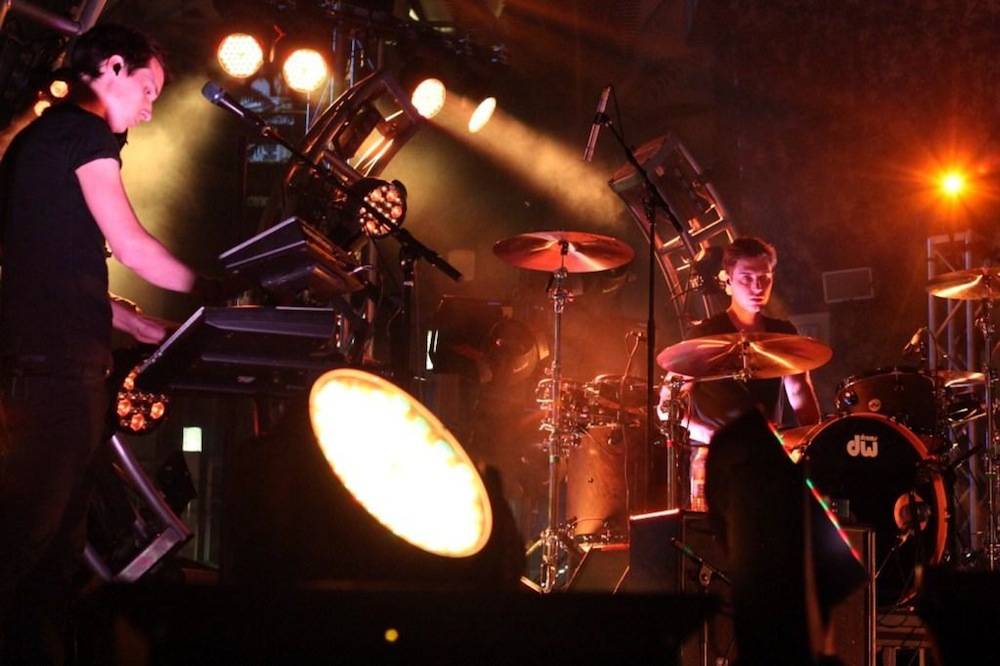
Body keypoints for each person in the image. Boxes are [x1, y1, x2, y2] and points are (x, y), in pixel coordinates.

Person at [0, 24, 200, 662]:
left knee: (50, 559)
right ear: (112, 67)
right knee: (31, 554)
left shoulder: (39, 140)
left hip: (45, 371)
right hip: (55, 378)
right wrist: (214, 290)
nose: (149, 110)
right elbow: (132, 246)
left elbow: (44, 267)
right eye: (148, 90)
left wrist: (135, 324)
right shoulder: (82, 134)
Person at [660, 237, 821, 509]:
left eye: (764, 278)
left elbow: (801, 396)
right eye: (747, 278)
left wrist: (813, 443)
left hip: (767, 452)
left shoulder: (782, 333)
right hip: (714, 455)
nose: (757, 287)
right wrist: (716, 436)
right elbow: (667, 408)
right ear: (728, 280)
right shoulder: (705, 334)